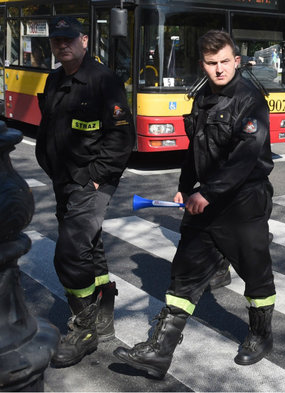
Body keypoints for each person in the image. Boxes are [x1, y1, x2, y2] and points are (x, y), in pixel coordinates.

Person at [114, 30, 277, 378]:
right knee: (184, 273)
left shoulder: (251, 100)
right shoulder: (202, 96)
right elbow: (196, 147)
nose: (218, 69)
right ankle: (160, 353)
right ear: (202, 64)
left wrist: (207, 192)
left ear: (236, 60)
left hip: (243, 202)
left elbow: (244, 159)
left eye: (223, 62)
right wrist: (185, 187)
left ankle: (261, 335)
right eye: (210, 63)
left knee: (255, 274)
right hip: (206, 200)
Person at [35, 16, 134, 368]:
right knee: (88, 246)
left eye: (68, 39)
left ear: (85, 41)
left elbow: (122, 137)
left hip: (91, 180)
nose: (62, 45)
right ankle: (103, 308)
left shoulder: (103, 81)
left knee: (69, 251)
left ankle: (85, 328)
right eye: (56, 40)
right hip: (63, 178)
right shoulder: (54, 79)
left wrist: (96, 177)